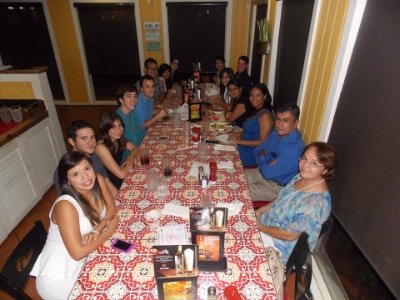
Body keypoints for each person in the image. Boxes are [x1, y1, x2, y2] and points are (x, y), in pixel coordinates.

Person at [31, 151, 119, 300]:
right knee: (109, 292)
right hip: (59, 276)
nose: (86, 177)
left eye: (87, 168)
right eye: (75, 174)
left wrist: (97, 230)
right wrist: (108, 231)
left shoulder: (97, 179)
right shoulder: (66, 205)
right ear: (68, 181)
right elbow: (77, 253)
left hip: (87, 258)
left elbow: (111, 210)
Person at [255, 142, 338, 265]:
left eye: (314, 163)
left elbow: (289, 235)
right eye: (304, 158)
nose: (305, 165)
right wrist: (261, 210)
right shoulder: (301, 177)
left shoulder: (314, 203)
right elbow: (282, 197)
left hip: (279, 249)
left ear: (326, 170)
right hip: (266, 225)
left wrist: (260, 228)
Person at [245, 103, 305, 201]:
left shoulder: (294, 148)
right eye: (278, 119)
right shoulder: (276, 133)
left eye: (286, 121)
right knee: (231, 178)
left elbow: (267, 173)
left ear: (295, 123)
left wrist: (261, 158)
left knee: (237, 191)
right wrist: (265, 162)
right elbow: (256, 151)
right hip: (259, 173)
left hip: (275, 187)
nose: (280, 124)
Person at [53, 120, 118, 198]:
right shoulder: (63, 170)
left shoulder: (95, 157)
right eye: (84, 138)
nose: (90, 142)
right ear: (72, 142)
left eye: (92, 137)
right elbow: (69, 204)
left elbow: (109, 185)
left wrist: (121, 201)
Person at [229, 83, 274, 166]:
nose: (253, 99)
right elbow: (253, 131)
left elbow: (263, 142)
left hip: (251, 153)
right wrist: (240, 134)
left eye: (258, 95)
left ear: (264, 96)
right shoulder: (255, 111)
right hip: (243, 146)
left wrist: (239, 141)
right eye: (251, 95)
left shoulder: (265, 116)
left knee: (223, 157)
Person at [95, 112, 139, 189]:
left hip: (119, 174)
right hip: (109, 185)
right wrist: (130, 162)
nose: (118, 130)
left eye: (120, 125)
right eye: (113, 127)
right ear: (105, 128)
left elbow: (136, 149)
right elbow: (121, 174)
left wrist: (130, 158)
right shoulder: (100, 147)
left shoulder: (116, 138)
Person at [116, 84, 144, 159]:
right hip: (128, 157)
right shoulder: (116, 119)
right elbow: (122, 144)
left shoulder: (133, 113)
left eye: (135, 96)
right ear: (121, 100)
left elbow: (139, 133)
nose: (133, 99)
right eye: (129, 96)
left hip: (140, 149)